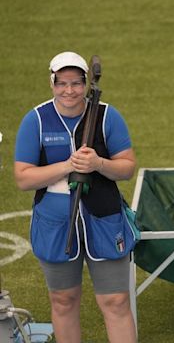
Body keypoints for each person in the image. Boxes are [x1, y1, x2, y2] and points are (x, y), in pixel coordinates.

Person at [14, 51, 137, 343]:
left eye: (76, 83)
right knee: (63, 300)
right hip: (55, 224)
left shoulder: (107, 115)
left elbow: (127, 168)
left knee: (116, 301)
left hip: (104, 220)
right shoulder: (36, 120)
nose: (69, 91)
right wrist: (67, 166)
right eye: (61, 83)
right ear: (51, 82)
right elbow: (23, 177)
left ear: (86, 83)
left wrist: (99, 164)